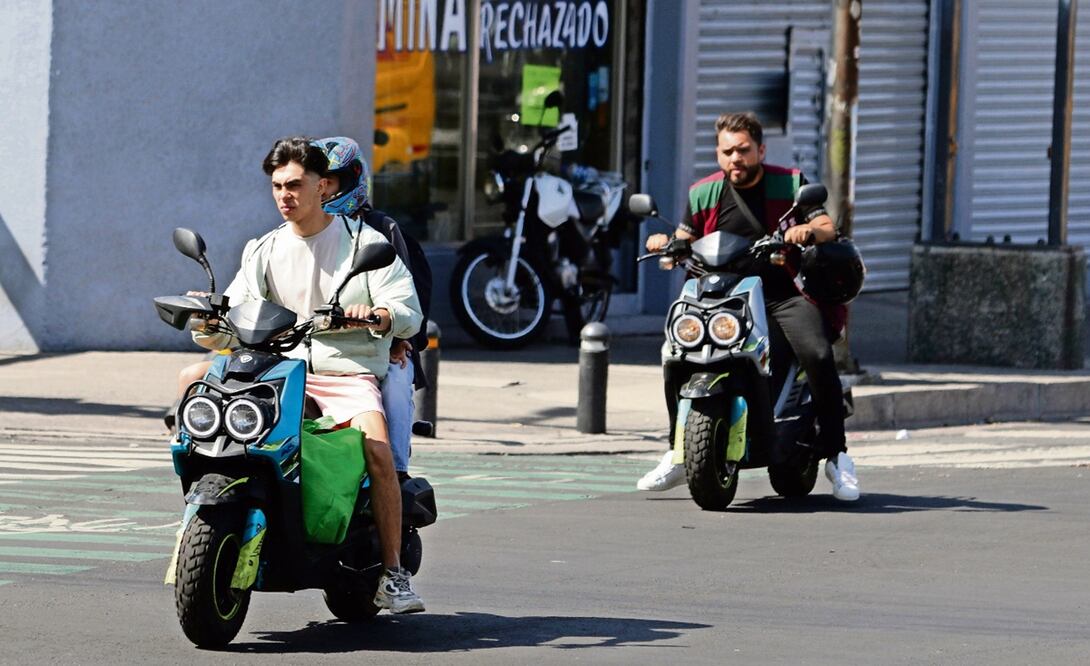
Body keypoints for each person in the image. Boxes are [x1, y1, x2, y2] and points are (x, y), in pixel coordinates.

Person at [189, 136, 427, 611]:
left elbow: (407, 311)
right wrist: (209, 323)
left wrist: (378, 315)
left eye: (295, 184)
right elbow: (236, 310)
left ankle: (394, 573)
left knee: (379, 451)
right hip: (278, 369)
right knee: (194, 382)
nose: (284, 195)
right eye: (277, 186)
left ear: (323, 186)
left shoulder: (367, 243)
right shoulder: (264, 248)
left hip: (345, 374)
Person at [636, 112, 860, 502]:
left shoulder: (789, 183)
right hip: (718, 294)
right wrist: (664, 241)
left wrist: (807, 230)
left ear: (760, 149)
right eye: (727, 152)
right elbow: (685, 236)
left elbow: (825, 226)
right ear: (718, 154)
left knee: (817, 351)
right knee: (675, 354)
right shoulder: (703, 192)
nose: (735, 159)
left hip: (779, 292)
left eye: (743, 150)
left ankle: (837, 457)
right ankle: (677, 452)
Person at [312, 135, 433, 478]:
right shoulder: (298, 233)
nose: (321, 191)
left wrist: (397, 337)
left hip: (377, 343)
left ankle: (395, 473)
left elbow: (412, 293)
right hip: (312, 345)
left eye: (329, 182)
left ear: (351, 179)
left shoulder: (382, 230)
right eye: (315, 183)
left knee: (395, 380)